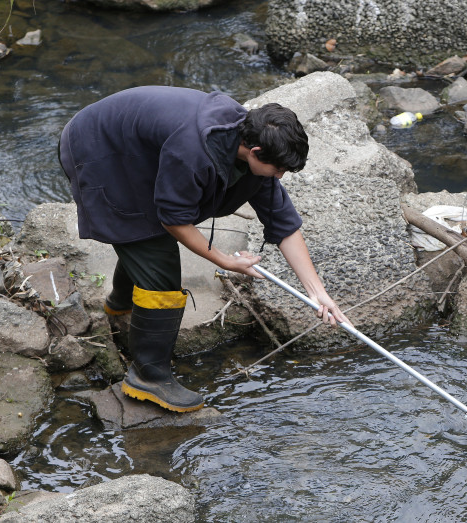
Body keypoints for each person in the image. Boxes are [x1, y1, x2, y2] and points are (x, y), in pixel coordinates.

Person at [58, 85, 349, 413]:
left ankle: (120, 307)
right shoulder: (195, 149)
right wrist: (225, 260)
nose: (279, 176)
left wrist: (317, 292)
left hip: (138, 151)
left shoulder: (254, 143)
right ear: (254, 151)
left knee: (147, 240)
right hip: (98, 148)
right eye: (278, 169)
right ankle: (147, 377)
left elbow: (283, 222)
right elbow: (172, 219)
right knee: (155, 255)